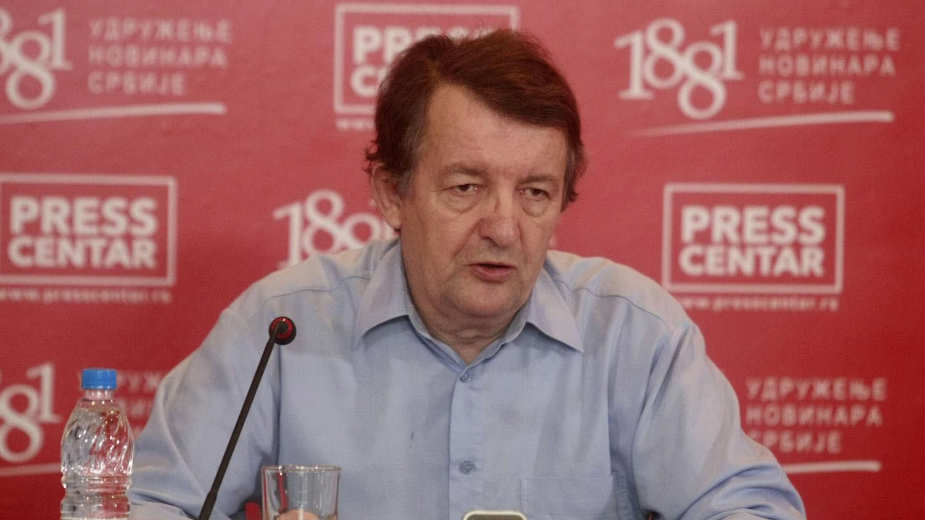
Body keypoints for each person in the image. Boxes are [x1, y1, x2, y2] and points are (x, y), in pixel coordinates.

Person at [130, 30, 806, 520]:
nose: (504, 228)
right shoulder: (282, 327)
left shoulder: (633, 334)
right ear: (392, 193)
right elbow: (152, 505)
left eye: (535, 193)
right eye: (465, 187)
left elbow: (751, 509)